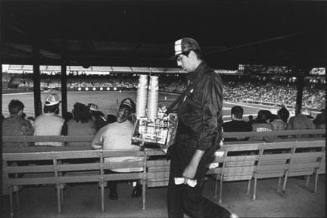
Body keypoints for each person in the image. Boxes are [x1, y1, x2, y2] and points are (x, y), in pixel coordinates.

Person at [166, 37, 237, 218]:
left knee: (191, 203)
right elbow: (193, 115)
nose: (178, 63)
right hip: (182, 147)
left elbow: (211, 125)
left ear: (190, 54)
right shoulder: (195, 79)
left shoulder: (209, 80)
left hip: (195, 151)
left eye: (179, 58)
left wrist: (194, 162)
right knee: (174, 196)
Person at [91, 98, 143, 200]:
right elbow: (141, 147)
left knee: (111, 161)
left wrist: (105, 146)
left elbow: (94, 145)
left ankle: (113, 192)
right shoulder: (137, 130)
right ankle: (137, 188)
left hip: (113, 168)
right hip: (135, 167)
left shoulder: (107, 128)